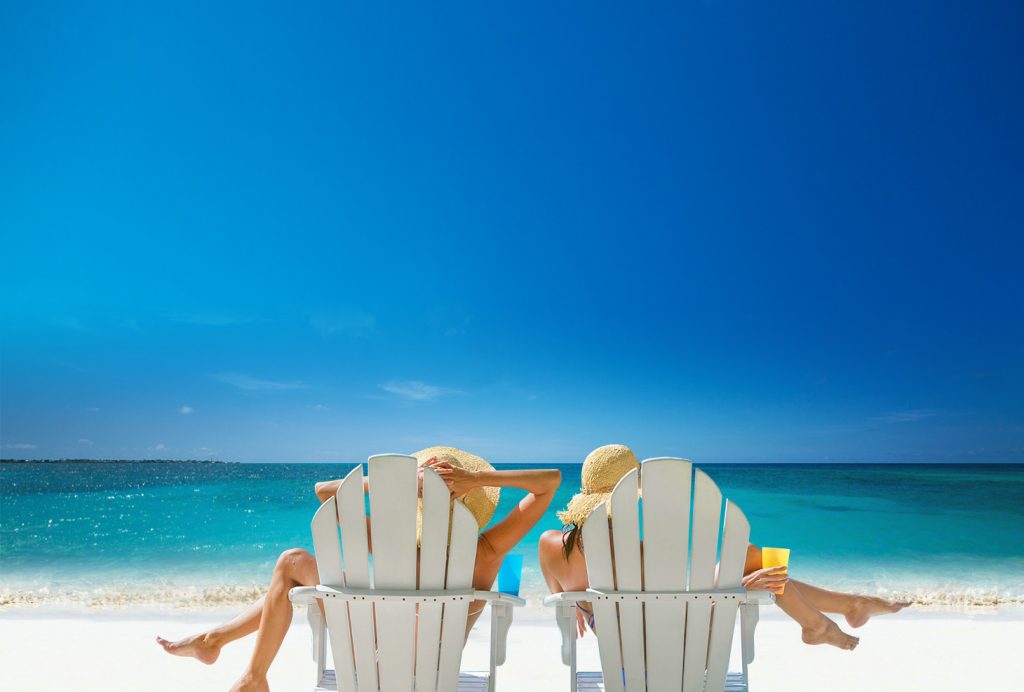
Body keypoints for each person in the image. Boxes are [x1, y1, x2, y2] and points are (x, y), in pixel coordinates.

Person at [158, 446, 561, 692]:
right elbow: (550, 482)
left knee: (291, 563)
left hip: (368, 659)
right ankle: (216, 643)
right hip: (435, 675)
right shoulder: (486, 550)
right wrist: (476, 479)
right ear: (472, 501)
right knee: (294, 564)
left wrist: (398, 483)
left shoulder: (389, 539)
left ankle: (247, 672)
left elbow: (323, 493)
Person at [538, 444, 909, 651]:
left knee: (750, 555)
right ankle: (822, 621)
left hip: (628, 645)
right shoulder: (635, 551)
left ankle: (843, 609)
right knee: (753, 562)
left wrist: (583, 606)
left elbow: (563, 600)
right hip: (676, 650)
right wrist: (740, 590)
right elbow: (677, 617)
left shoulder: (549, 545)